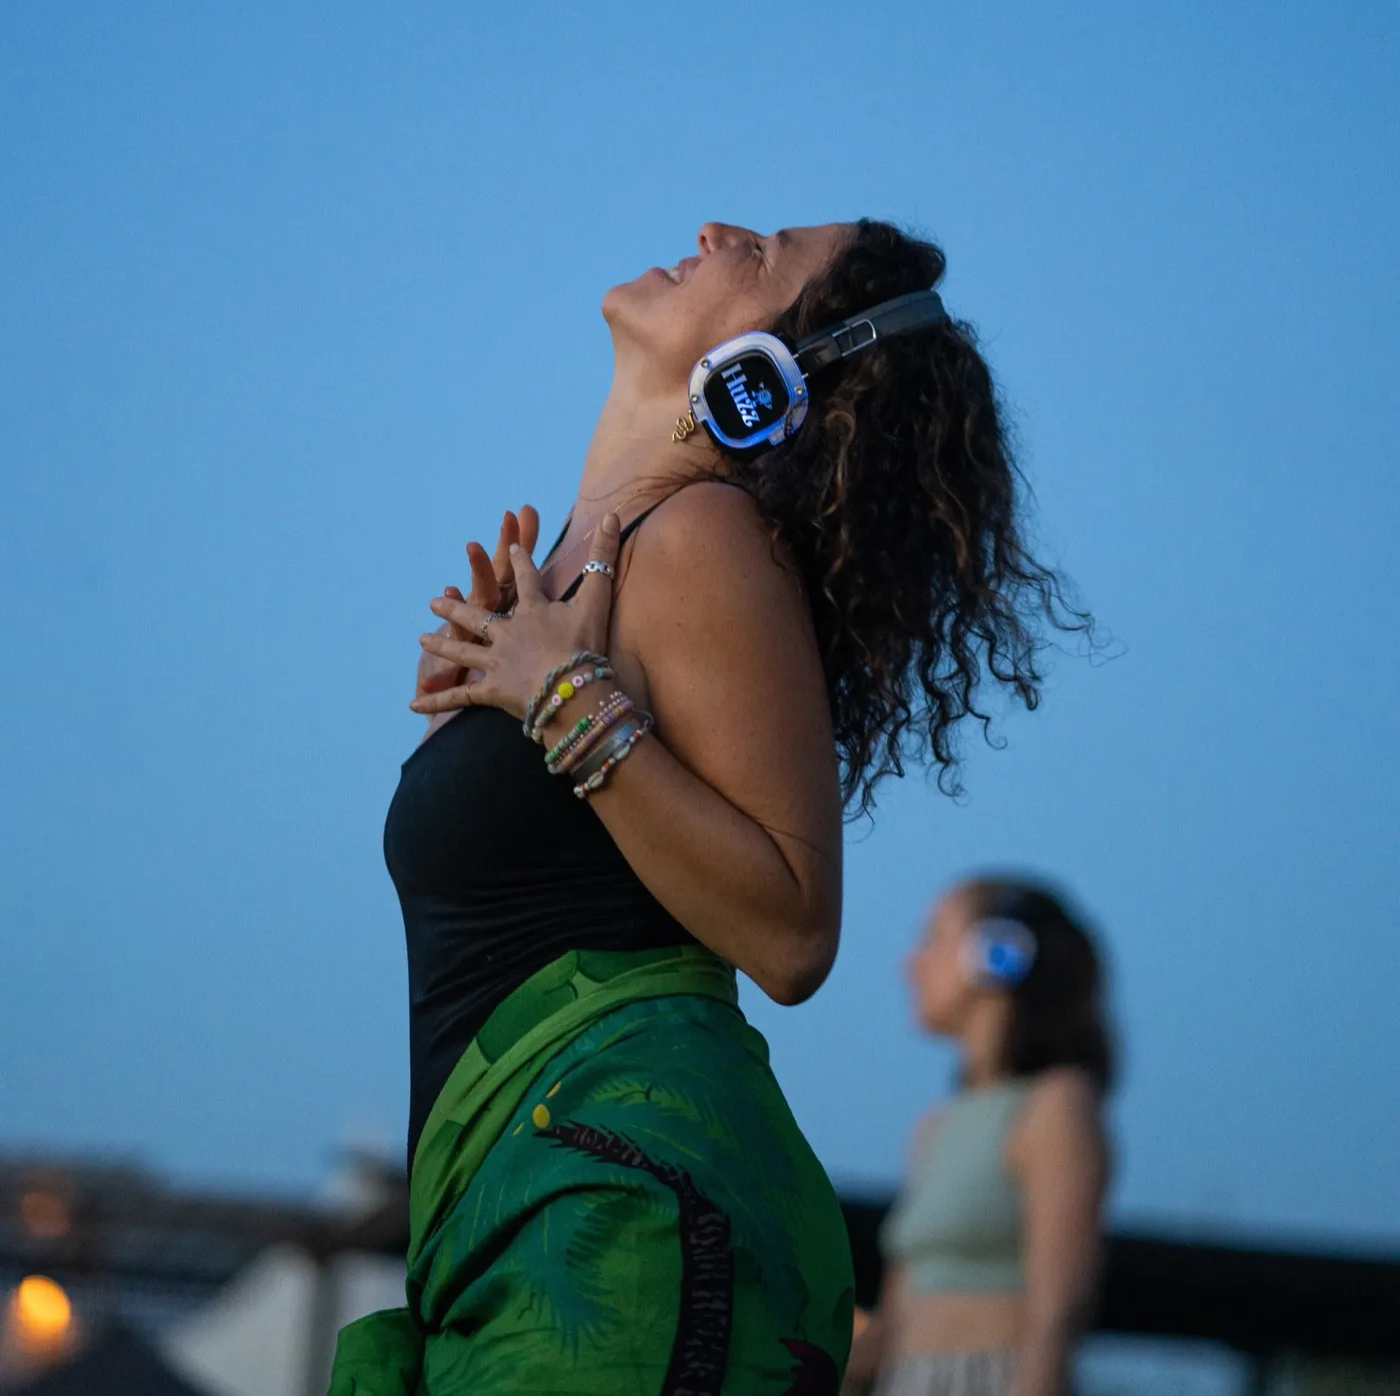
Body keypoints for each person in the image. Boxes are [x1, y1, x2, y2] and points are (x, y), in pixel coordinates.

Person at [327, 221, 1086, 1395]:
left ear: (763, 377)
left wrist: (559, 698)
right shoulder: (585, 572)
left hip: (616, 1236)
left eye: (767, 252)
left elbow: (791, 931)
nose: (714, 231)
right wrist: (476, 702)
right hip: (521, 1231)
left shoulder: (698, 538)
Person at [844, 877, 1114, 1396]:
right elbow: (896, 1318)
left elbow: (1058, 1310)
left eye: (932, 937)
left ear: (997, 953)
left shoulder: (1057, 1104)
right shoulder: (935, 1128)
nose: (912, 964)